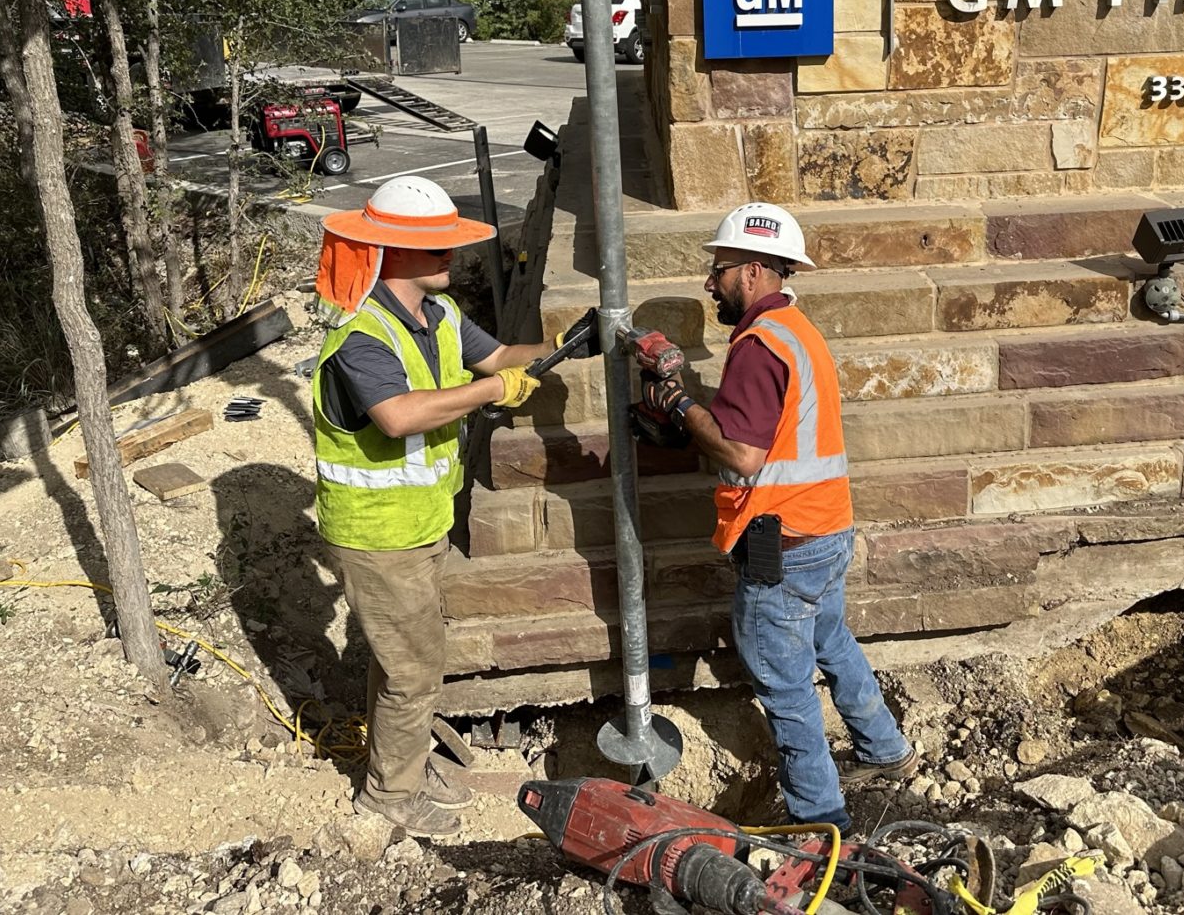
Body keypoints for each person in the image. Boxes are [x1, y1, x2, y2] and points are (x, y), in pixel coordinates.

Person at [311, 174, 597, 838]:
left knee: (408, 660)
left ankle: (401, 765)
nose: (450, 256)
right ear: (397, 253)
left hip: (419, 525)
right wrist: (493, 389)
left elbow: (498, 356)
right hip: (376, 535)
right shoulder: (363, 335)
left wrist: (573, 345)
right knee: (411, 671)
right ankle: (388, 798)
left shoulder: (435, 317)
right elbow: (398, 415)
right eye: (435, 246)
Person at [638, 203, 918, 833]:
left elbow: (742, 451)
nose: (711, 282)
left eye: (720, 268)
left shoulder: (760, 347)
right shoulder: (795, 330)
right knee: (830, 640)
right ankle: (885, 748)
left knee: (784, 683)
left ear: (754, 270)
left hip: (779, 538)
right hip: (825, 526)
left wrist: (680, 407)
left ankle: (821, 824)